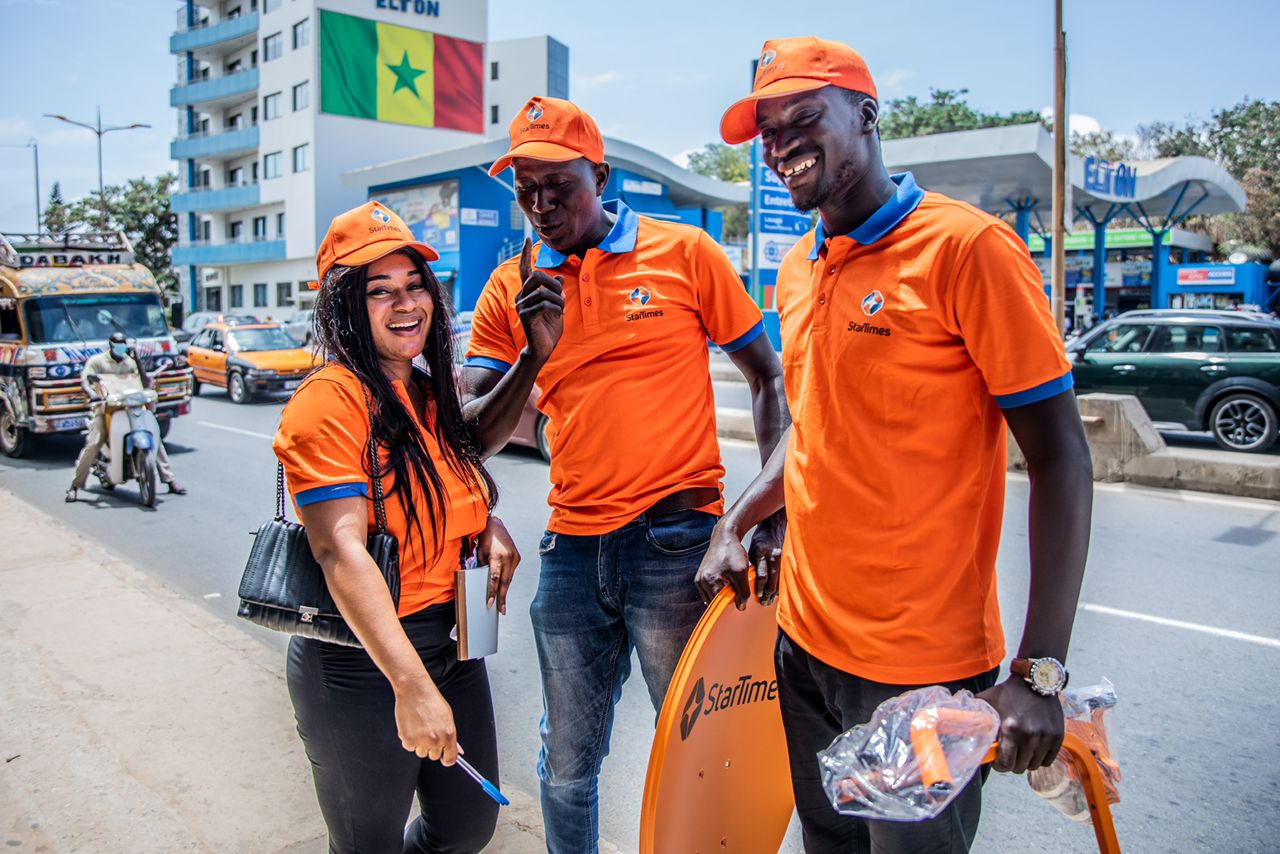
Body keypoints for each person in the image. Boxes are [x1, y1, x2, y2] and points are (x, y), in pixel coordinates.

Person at [697, 37, 1094, 853]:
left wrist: (1040, 671)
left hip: (919, 675)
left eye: (803, 118)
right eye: (767, 132)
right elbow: (810, 428)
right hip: (803, 645)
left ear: (867, 116)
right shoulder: (799, 267)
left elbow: (1060, 457)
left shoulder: (968, 250)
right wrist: (734, 521)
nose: (782, 147)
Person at [460, 96, 788, 853]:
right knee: (567, 760)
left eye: (559, 186)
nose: (541, 206)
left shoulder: (685, 255)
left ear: (599, 176)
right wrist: (533, 355)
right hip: (573, 549)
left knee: (706, 749)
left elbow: (767, 377)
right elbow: (470, 435)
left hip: (678, 543)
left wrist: (765, 515)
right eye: (525, 189)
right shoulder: (510, 293)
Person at [274, 201, 521, 853]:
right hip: (362, 661)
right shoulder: (328, 401)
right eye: (378, 292)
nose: (404, 303)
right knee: (369, 842)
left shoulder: (426, 392)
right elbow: (339, 550)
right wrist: (409, 686)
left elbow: (442, 490)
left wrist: (485, 523)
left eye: (414, 286)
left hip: (453, 644)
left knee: (468, 824)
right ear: (342, 309)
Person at [66, 331, 186, 501]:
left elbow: (144, 383)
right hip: (106, 408)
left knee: (155, 437)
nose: (122, 347)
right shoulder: (98, 362)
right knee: (94, 442)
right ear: (111, 345)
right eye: (118, 344)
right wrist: (92, 393)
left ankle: (169, 479)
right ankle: (75, 486)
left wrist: (136, 358)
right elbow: (85, 381)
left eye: (124, 344)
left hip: (131, 407)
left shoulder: (130, 363)